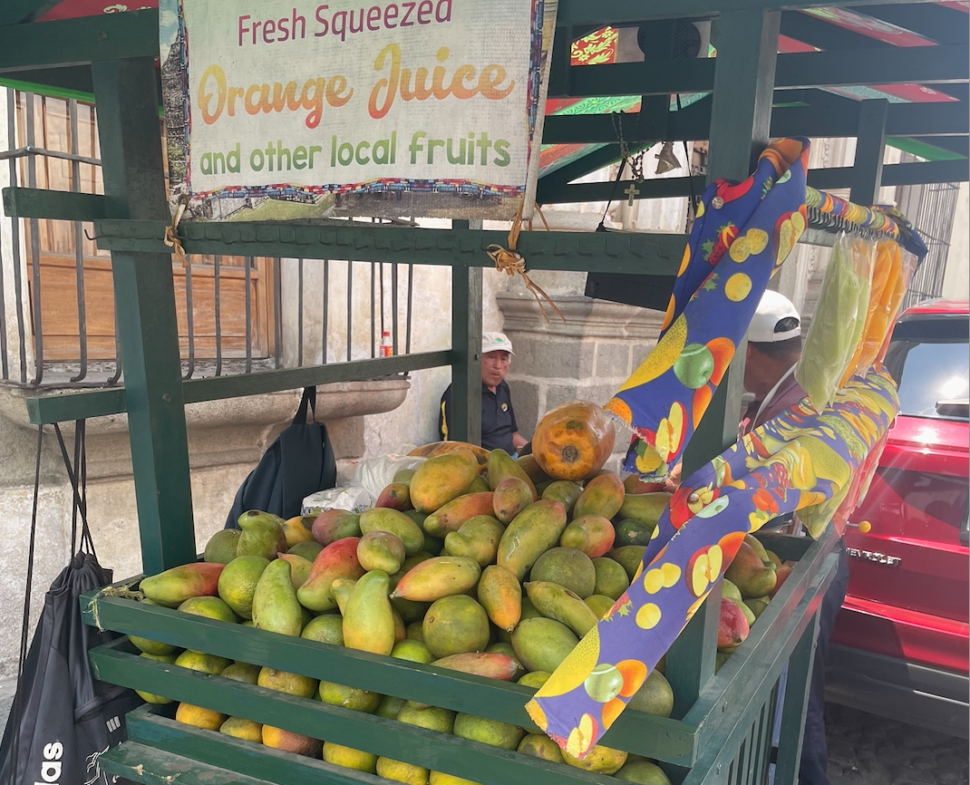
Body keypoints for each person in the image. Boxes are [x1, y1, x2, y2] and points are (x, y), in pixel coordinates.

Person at [742, 289, 849, 785]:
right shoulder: (792, 392)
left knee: (794, 698)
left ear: (748, 352)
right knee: (795, 695)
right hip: (810, 556)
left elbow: (772, 501)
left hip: (800, 563)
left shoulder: (794, 408)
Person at [439, 332, 528, 454]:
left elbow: (512, 434)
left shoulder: (503, 388)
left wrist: (535, 452)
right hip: (482, 466)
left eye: (503, 359)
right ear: (476, 359)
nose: (497, 366)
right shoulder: (460, 393)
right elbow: (457, 449)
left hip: (510, 459)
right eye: (491, 357)